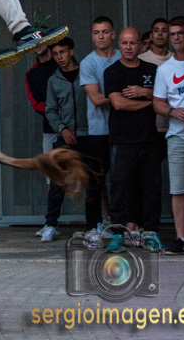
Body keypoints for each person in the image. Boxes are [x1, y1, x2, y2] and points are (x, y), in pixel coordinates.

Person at [104, 27, 164, 244]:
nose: (128, 47)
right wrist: (149, 102)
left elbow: (163, 97)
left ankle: (151, 233)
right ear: (119, 45)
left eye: (132, 43)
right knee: (120, 188)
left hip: (150, 138)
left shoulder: (152, 69)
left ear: (140, 45)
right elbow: (119, 104)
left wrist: (144, 92)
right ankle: (118, 235)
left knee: (151, 188)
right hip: (122, 140)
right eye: (124, 43)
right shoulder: (112, 72)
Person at [43, 38, 105, 244]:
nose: (59, 57)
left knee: (92, 182)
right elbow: (50, 110)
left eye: (62, 52)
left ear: (71, 51)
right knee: (58, 181)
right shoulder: (53, 80)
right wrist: (63, 129)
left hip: (89, 135)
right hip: (65, 137)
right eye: (55, 54)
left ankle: (92, 226)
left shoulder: (85, 73)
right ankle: (50, 224)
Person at [153, 16, 184, 254]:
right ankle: (182, 238)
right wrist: (172, 111)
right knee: (179, 189)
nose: (176, 37)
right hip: (178, 136)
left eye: (181, 33)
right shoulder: (165, 69)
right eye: (173, 34)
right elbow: (157, 102)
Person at [79, 16, 121, 225]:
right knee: (95, 181)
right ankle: (93, 227)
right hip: (98, 131)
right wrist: (120, 98)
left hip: (124, 130)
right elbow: (95, 99)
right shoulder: (88, 63)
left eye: (105, 32)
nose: (101, 36)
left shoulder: (123, 57)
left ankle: (123, 224)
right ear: (92, 37)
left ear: (113, 34)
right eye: (97, 33)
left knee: (123, 181)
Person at [24, 44, 59, 240]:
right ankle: (51, 223)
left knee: (89, 175)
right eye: (33, 42)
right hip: (51, 129)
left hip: (78, 128)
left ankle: (100, 221)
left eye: (40, 39)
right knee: (50, 178)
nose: (37, 44)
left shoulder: (63, 64)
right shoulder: (32, 74)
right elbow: (36, 104)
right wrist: (56, 113)